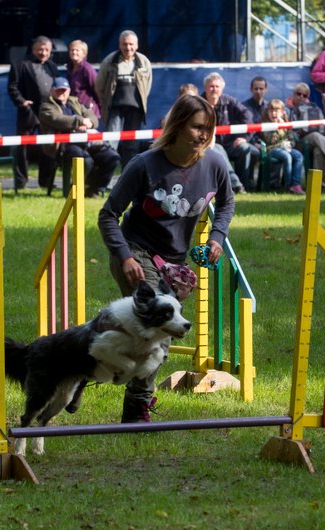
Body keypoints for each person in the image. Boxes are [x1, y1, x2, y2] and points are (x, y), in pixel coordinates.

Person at [97, 94, 235, 423]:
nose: (204, 135)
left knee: (157, 334)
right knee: (160, 327)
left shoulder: (214, 164)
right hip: (136, 251)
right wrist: (125, 256)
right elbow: (107, 215)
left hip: (174, 263)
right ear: (177, 126)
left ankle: (103, 350)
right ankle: (137, 407)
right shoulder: (145, 164)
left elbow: (227, 203)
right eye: (197, 127)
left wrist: (217, 237)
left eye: (209, 128)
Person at [38, 77, 120, 198]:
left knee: (112, 157)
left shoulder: (75, 102)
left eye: (64, 90)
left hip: (87, 142)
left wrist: (89, 123)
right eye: (58, 90)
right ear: (51, 91)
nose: (62, 93)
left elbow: (92, 117)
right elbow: (58, 120)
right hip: (64, 146)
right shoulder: (46, 107)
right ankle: (75, 190)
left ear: (69, 91)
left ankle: (95, 189)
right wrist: (80, 121)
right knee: (85, 160)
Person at [8, 35, 60, 190]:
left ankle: (45, 181)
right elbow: (12, 87)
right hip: (28, 113)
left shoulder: (53, 67)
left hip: (48, 113)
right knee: (22, 147)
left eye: (46, 50)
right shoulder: (20, 65)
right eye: (40, 49)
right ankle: (20, 181)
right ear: (33, 49)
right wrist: (22, 102)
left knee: (48, 147)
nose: (43, 53)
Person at [95, 30, 153, 168]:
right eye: (124, 44)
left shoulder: (143, 62)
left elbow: (147, 85)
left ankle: (128, 178)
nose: (128, 48)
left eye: (131, 44)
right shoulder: (109, 61)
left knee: (132, 146)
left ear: (137, 45)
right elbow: (99, 86)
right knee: (110, 144)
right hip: (114, 109)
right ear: (119, 45)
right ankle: (106, 181)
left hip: (135, 110)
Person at [201, 72, 257, 193]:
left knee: (245, 147)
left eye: (217, 86)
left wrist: (244, 138)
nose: (214, 89)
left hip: (231, 144)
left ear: (222, 88)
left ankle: (245, 184)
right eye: (211, 86)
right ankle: (236, 185)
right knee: (219, 150)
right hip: (209, 144)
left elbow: (248, 116)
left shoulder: (229, 101)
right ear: (205, 88)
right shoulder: (199, 104)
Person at [288, 83, 325, 183]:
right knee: (316, 136)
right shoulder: (288, 108)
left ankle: (318, 183)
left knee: (318, 150)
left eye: (305, 95)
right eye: (299, 94)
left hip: (313, 141)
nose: (301, 97)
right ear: (293, 94)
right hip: (296, 143)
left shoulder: (312, 107)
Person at [260, 99, 305, 194]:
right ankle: (288, 187)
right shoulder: (266, 125)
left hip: (286, 148)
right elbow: (271, 140)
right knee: (287, 157)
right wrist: (279, 127)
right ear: (267, 112)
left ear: (282, 112)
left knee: (298, 155)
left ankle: (296, 184)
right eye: (271, 111)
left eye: (277, 111)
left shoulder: (286, 123)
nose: (274, 113)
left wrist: (290, 143)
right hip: (272, 150)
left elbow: (292, 138)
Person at [66, 39, 101, 118]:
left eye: (77, 50)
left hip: (88, 112)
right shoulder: (69, 68)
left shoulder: (87, 69)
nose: (74, 52)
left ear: (84, 53)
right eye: (72, 50)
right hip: (73, 110)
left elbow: (98, 89)